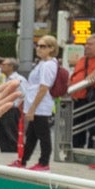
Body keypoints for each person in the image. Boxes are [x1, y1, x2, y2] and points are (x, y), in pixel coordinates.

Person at [15, 36, 61, 171]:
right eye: (38, 46)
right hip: (33, 104)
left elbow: (43, 87)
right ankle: (23, 160)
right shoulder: (41, 64)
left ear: (52, 48)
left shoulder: (48, 65)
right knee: (32, 135)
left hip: (40, 106)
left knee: (43, 134)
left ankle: (44, 162)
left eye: (43, 46)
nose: (39, 49)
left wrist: (32, 108)